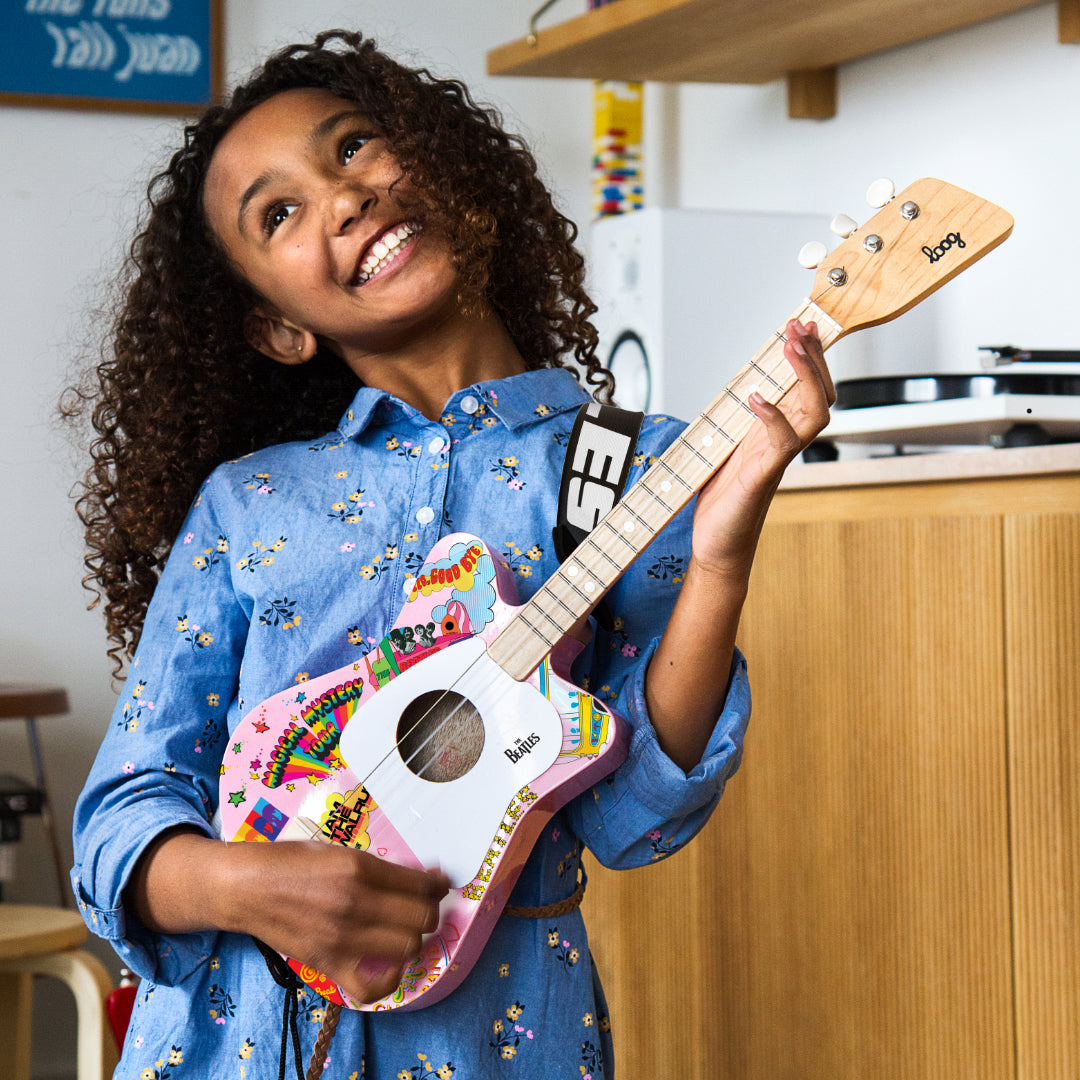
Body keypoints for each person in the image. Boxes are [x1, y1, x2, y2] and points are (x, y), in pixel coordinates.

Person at [67, 29, 834, 1080]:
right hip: (228, 1043)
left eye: (354, 148)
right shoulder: (247, 505)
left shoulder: (631, 472)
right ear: (275, 328)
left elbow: (632, 816)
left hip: (501, 1041)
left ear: (446, 166)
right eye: (279, 213)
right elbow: (121, 824)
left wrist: (722, 556)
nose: (342, 197)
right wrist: (250, 887)